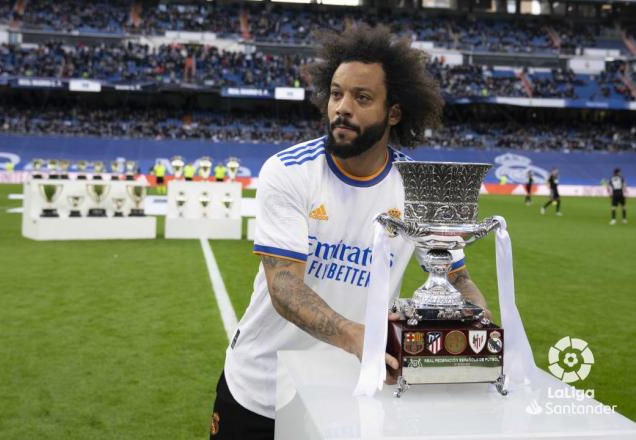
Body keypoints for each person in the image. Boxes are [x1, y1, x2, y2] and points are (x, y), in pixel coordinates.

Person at [210, 25, 493, 440]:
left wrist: (478, 333)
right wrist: (359, 338)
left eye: (362, 98)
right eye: (336, 93)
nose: (342, 107)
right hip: (260, 389)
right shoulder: (288, 171)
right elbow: (284, 285)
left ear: (393, 113)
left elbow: (457, 277)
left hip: (351, 394)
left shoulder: (417, 185)